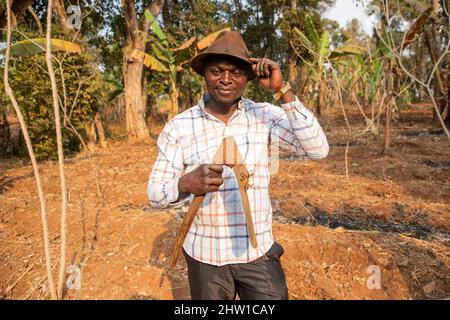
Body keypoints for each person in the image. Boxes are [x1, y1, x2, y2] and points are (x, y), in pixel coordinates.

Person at [147, 30, 329, 300]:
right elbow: (154, 193)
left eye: (236, 72)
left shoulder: (264, 116)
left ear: (248, 77)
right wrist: (186, 183)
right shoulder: (179, 126)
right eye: (216, 71)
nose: (226, 80)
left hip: (256, 253)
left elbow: (317, 149)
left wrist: (282, 90)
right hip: (205, 256)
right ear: (205, 74)